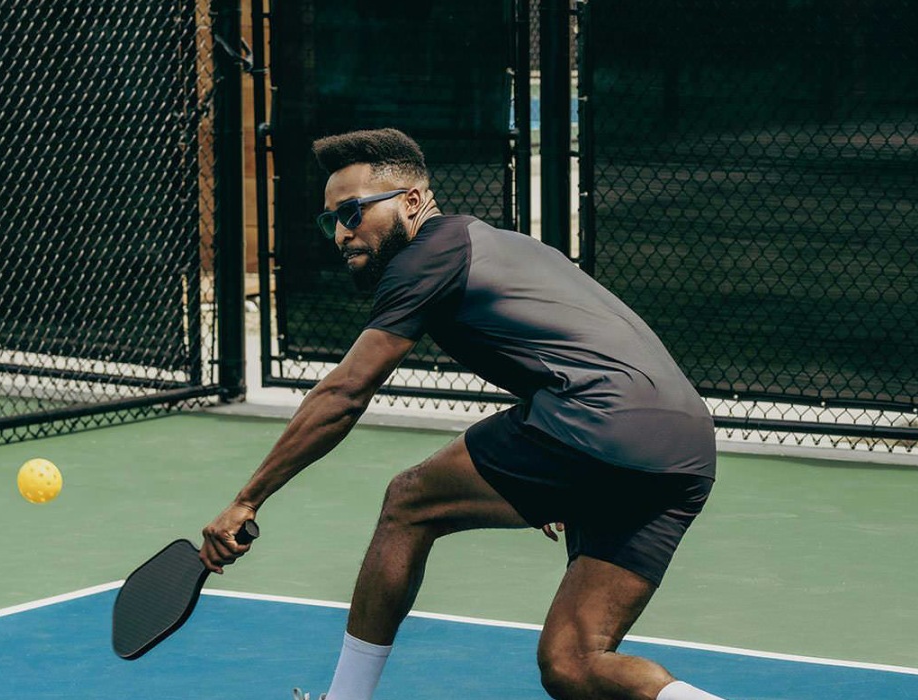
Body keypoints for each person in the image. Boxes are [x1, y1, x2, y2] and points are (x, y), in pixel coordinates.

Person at [199, 128, 724, 700]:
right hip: (685, 448)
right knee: (573, 664)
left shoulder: (427, 255)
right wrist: (561, 482)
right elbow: (571, 347)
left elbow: (345, 392)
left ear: (413, 201)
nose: (342, 232)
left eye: (352, 211)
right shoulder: (503, 246)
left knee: (408, 503)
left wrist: (249, 498)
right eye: (331, 221)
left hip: (599, 420)